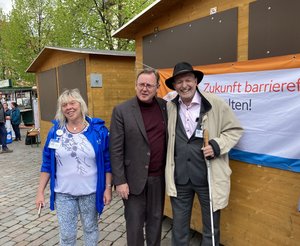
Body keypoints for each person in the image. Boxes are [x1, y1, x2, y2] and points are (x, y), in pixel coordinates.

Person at [164, 62, 243, 246]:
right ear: (174, 86)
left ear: (196, 81)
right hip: (180, 178)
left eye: (188, 80)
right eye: (179, 82)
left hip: (208, 177)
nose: (184, 85)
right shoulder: (170, 107)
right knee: (179, 229)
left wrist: (217, 145)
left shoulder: (214, 103)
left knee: (211, 230)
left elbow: (235, 130)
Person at [35, 89, 112, 246]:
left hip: (90, 192)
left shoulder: (98, 131)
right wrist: (40, 192)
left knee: (90, 229)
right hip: (63, 193)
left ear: (80, 104)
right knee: (67, 234)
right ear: (61, 109)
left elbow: (107, 161)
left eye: (72, 103)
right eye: (64, 105)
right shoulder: (55, 132)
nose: (69, 107)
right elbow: (47, 163)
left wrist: (108, 188)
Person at [110, 68, 167, 246]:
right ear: (135, 86)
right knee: (134, 226)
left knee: (156, 223)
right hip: (132, 180)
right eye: (141, 84)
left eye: (149, 85)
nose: (144, 89)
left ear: (157, 87)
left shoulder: (165, 107)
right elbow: (115, 148)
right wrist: (119, 181)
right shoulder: (122, 111)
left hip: (158, 178)